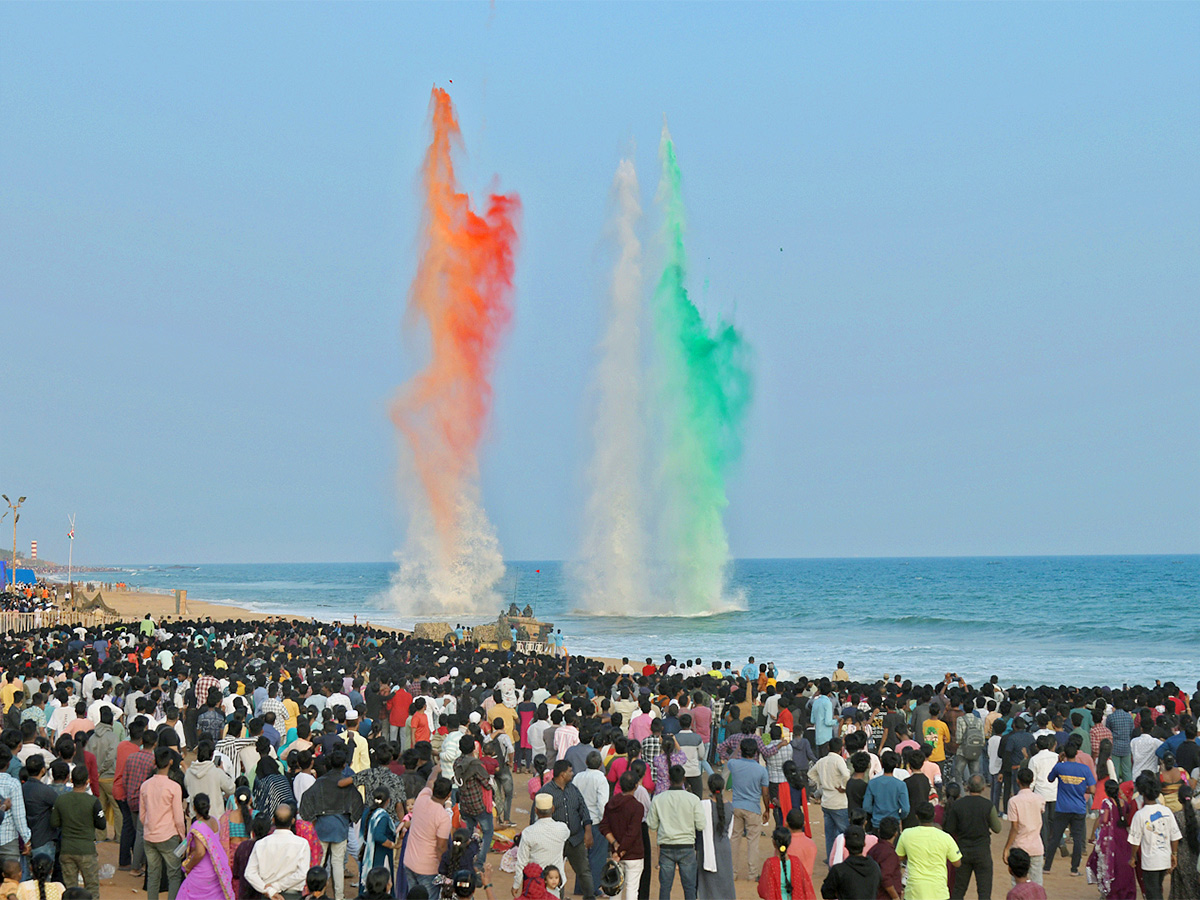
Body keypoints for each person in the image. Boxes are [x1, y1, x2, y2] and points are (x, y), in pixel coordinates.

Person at [537, 760, 595, 900]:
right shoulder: (546, 792)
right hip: (554, 841)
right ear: (563, 774)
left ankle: (589, 897)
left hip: (575, 838)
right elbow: (536, 817)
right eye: (570, 771)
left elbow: (583, 810)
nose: (572, 773)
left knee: (584, 871)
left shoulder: (573, 789)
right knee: (555, 873)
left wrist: (588, 831)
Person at [646, 765, 705, 900]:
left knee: (665, 887)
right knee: (690, 887)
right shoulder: (693, 799)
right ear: (684, 779)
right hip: (687, 847)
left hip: (666, 847)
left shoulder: (658, 799)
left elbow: (652, 825)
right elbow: (701, 825)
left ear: (669, 779)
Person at [50, 765, 105, 897]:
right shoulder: (93, 801)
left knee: (70, 889)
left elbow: (54, 822)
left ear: (71, 780)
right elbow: (102, 824)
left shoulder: (61, 800)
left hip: (67, 849)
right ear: (87, 781)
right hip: (86, 850)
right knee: (91, 887)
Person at [1042, 742, 1096, 877]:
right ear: (1077, 753)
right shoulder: (1084, 769)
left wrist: (1058, 761)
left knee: (1055, 837)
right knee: (1077, 839)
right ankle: (1074, 869)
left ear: (1064, 754)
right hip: (1078, 808)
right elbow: (1093, 789)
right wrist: (1083, 789)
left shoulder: (1060, 767)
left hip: (1062, 808)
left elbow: (1049, 779)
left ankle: (1047, 867)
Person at [140, 745, 186, 900]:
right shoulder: (174, 787)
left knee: (153, 875)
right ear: (171, 762)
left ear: (155, 761)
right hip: (168, 836)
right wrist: (182, 835)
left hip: (149, 835)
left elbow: (142, 815)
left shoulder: (145, 785)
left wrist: (149, 825)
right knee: (174, 875)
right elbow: (179, 818)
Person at [944, 775, 1000, 900]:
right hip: (982, 851)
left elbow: (949, 829)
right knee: (984, 892)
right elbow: (997, 828)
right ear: (983, 788)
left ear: (967, 787)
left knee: (958, 890)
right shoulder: (988, 805)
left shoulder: (958, 805)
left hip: (963, 851)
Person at [1128, 773, 1182, 900]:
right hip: (1164, 858)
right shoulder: (1167, 811)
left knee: (1152, 892)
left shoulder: (1140, 815)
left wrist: (1133, 857)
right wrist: (1174, 854)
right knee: (1157, 887)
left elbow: (1135, 841)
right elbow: (1175, 836)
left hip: (1150, 861)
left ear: (1142, 793)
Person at [895, 802, 962, 900]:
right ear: (934, 815)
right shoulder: (945, 837)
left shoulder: (906, 834)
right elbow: (957, 863)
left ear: (917, 817)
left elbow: (898, 857)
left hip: (914, 891)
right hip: (938, 891)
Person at [244, 804, 312, 900]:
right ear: (293, 821)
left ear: (273, 820)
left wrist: (270, 891)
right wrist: (277, 886)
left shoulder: (261, 844)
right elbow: (302, 874)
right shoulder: (302, 844)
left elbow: (249, 873)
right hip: (292, 895)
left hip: (268, 895)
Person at [176, 792, 235, 900]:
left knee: (186, 893)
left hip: (201, 871)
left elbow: (200, 852)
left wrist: (188, 865)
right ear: (209, 806)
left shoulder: (198, 826)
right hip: (215, 869)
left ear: (193, 808)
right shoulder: (215, 821)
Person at [1085, 779, 1137, 900]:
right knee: (1124, 866)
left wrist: (1093, 835)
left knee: (1111, 865)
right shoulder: (1124, 803)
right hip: (1124, 837)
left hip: (1111, 839)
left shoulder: (1107, 803)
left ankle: (1110, 892)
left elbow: (1103, 819)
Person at [728, 737, 770, 882]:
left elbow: (730, 759)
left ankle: (732, 873)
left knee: (735, 839)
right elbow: (765, 793)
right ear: (755, 752)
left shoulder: (734, 764)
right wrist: (767, 810)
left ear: (742, 750)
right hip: (753, 808)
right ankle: (752, 874)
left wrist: (737, 748)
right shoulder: (761, 770)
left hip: (737, 806)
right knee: (753, 842)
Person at [600, 771, 646, 900]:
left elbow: (603, 827)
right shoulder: (637, 807)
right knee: (632, 889)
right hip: (633, 854)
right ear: (636, 786)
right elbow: (632, 833)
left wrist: (615, 846)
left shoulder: (611, 804)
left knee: (615, 889)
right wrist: (620, 852)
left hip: (615, 853)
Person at [405, 774, 453, 897]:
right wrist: (446, 871)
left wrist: (435, 770)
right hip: (428, 869)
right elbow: (441, 848)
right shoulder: (443, 817)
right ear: (448, 795)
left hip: (409, 862)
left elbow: (429, 782)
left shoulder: (422, 797)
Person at [514, 794, 571, 897]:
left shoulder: (528, 832)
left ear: (536, 810)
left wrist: (516, 884)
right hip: (556, 881)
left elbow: (521, 862)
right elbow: (566, 835)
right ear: (552, 809)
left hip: (535, 883)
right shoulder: (562, 828)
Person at [1001, 768, 1045, 886]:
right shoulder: (1039, 799)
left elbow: (1015, 828)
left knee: (1017, 884)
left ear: (1017, 781)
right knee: (1037, 883)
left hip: (1020, 846)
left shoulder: (1014, 801)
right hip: (1036, 846)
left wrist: (1007, 848)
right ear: (1032, 780)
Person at [809, 737, 849, 859]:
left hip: (826, 801)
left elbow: (810, 774)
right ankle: (842, 858)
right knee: (844, 833)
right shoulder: (839, 760)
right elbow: (846, 775)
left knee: (829, 835)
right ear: (841, 749)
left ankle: (830, 859)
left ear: (828, 748)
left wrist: (821, 784)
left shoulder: (822, 761)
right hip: (839, 802)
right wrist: (843, 786)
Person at [695, 773, 734, 900]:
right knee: (725, 883)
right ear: (723, 788)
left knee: (708, 886)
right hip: (724, 847)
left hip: (707, 849)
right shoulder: (729, 806)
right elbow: (730, 831)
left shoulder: (703, 805)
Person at [819, 824, 878, 900]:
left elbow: (826, 893)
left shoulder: (838, 870)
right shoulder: (874, 867)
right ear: (864, 844)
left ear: (845, 845)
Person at [357, 787, 397, 896]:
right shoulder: (382, 816)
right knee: (380, 885)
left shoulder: (367, 812)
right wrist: (393, 845)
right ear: (388, 800)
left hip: (366, 853)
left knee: (367, 885)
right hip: (380, 855)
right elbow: (379, 836)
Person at [862, 751, 909, 830]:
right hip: (894, 822)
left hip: (877, 822)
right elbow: (905, 809)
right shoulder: (901, 785)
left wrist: (875, 812)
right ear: (896, 765)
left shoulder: (872, 782)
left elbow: (866, 806)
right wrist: (899, 816)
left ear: (881, 763)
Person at [866, 817, 903, 900]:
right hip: (885, 896)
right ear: (896, 834)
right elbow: (885, 878)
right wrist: (895, 897)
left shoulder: (873, 849)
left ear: (879, 831)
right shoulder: (889, 853)